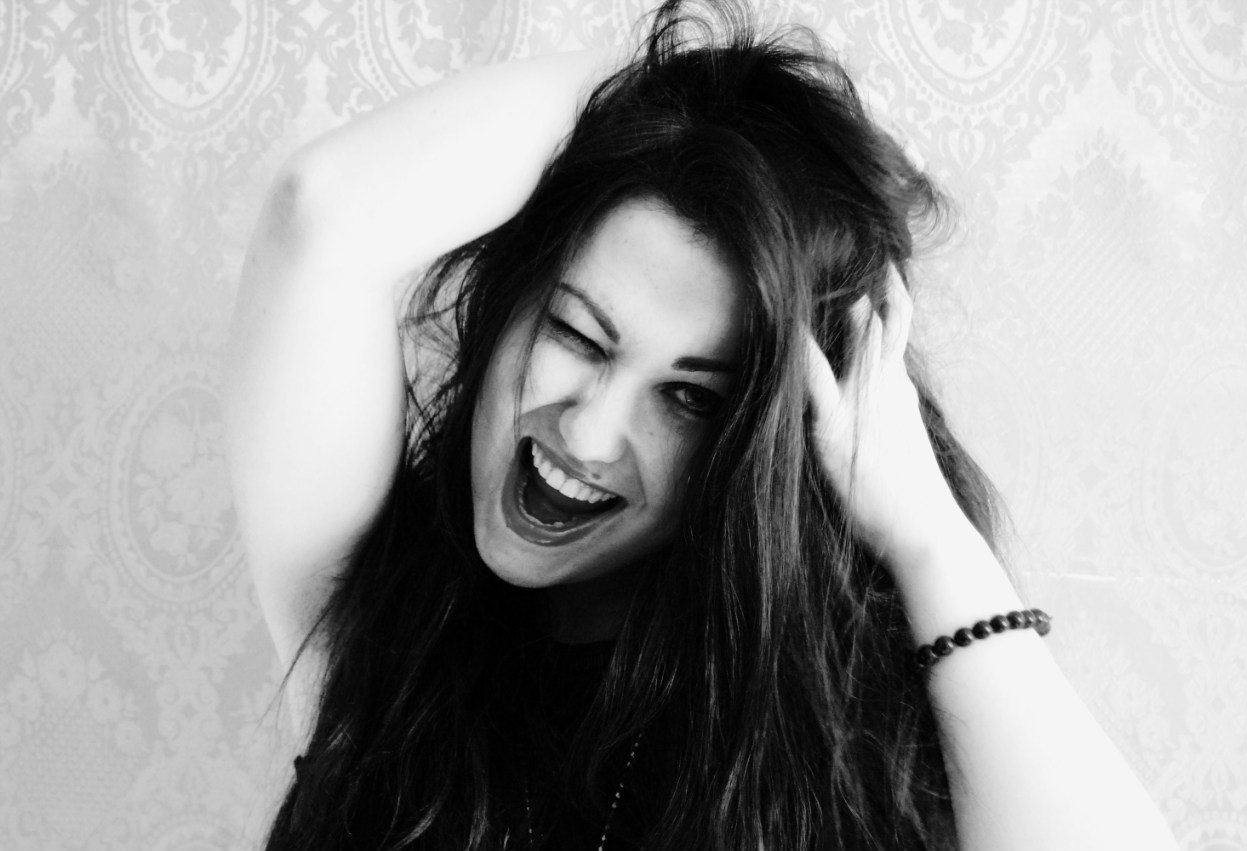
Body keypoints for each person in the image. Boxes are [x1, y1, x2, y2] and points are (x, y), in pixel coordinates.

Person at [225, 1, 1180, 848]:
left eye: (690, 399)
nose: (589, 433)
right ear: (508, 301)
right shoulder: (378, 623)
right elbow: (321, 214)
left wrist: (926, 534)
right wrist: (691, 92)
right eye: (578, 335)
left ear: (764, 442)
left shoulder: (829, 721)